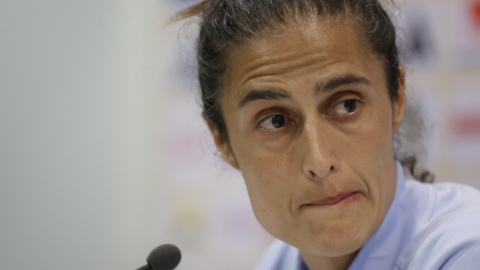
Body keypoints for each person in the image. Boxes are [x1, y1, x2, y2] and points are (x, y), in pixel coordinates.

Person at [175, 0, 480, 269]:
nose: (319, 162)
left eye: (347, 105)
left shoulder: (466, 249)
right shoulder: (276, 263)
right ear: (222, 140)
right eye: (275, 121)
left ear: (397, 98)